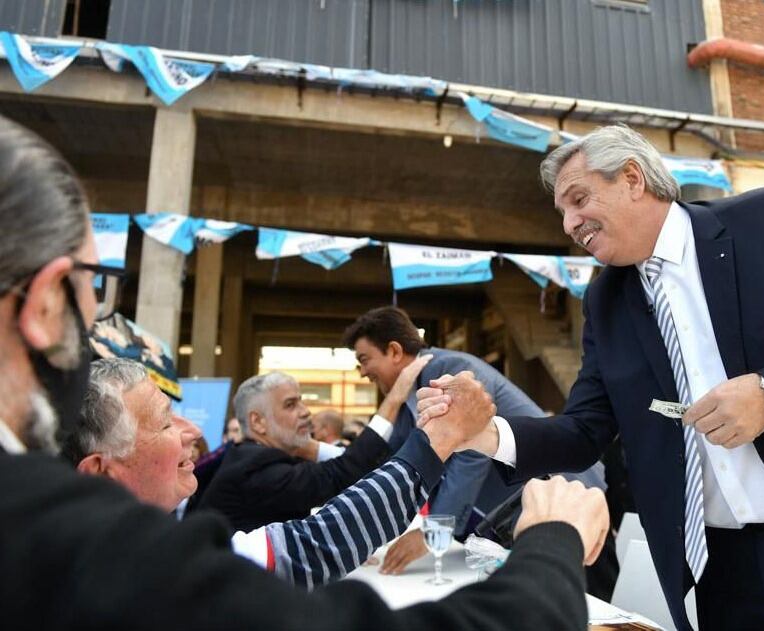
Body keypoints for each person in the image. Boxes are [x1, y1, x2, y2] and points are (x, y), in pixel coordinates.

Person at [0, 113, 609, 631]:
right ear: (47, 303)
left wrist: (434, 447)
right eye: (94, 283)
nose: (191, 433)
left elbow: (311, 543)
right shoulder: (76, 546)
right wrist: (550, 542)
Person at [418, 124, 764, 630]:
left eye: (578, 200)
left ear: (632, 178)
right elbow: (583, 431)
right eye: (562, 212)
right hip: (721, 574)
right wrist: (482, 431)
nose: (569, 224)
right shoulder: (605, 301)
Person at [65, 357, 457, 586]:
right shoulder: (143, 570)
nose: (194, 431)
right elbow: (316, 539)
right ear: (101, 472)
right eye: (165, 422)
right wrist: (434, 437)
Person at [342, 306, 612, 588]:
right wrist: (365, 528)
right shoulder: (410, 396)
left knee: (591, 597)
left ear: (394, 351)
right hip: (522, 508)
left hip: (565, 492)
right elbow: (399, 461)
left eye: (364, 359)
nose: (362, 372)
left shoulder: (446, 371)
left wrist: (433, 530)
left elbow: (470, 454)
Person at [191, 362, 428, 531]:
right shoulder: (256, 469)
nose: (305, 412)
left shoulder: (247, 456)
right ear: (258, 422)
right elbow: (341, 473)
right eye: (290, 405)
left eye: (301, 402)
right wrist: (394, 398)